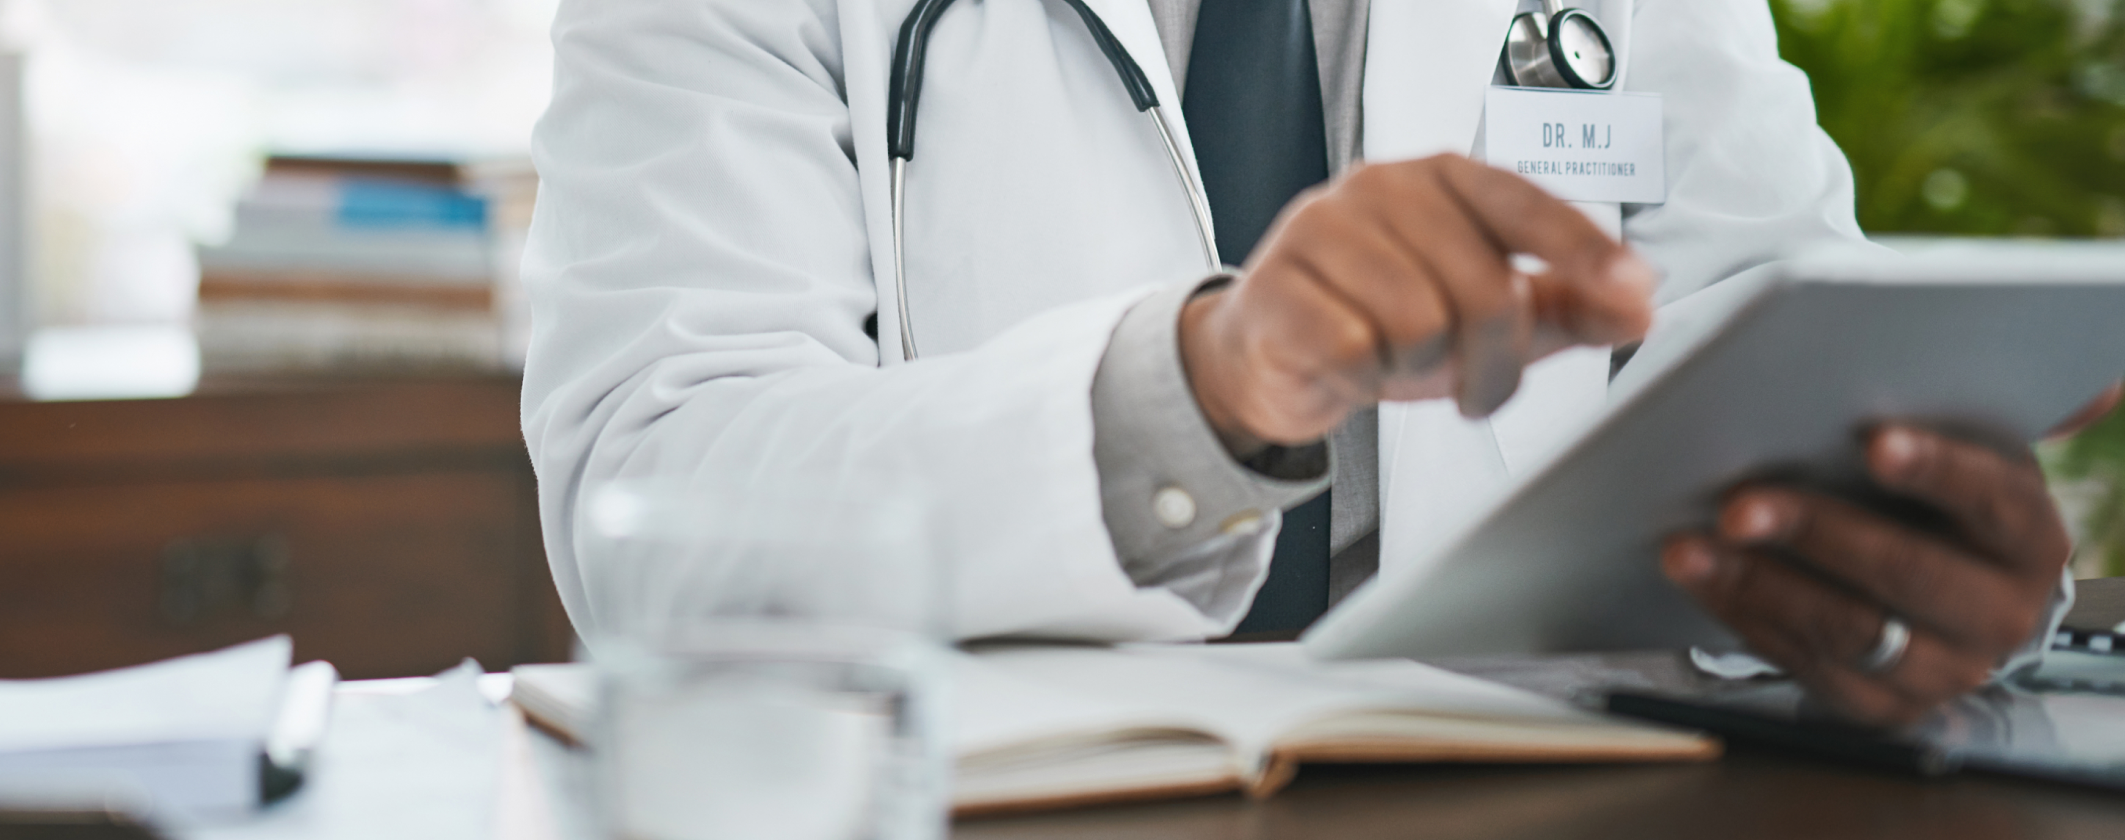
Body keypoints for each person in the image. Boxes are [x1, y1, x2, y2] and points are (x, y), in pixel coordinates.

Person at [519, 0, 2115, 727]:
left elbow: (1765, 306)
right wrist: (1198, 393)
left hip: (1539, 793)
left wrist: (1894, 541)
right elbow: (653, 498)